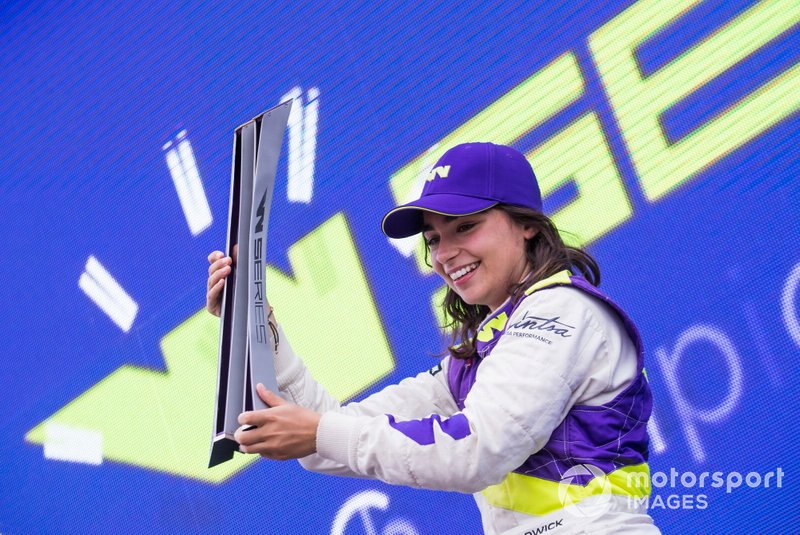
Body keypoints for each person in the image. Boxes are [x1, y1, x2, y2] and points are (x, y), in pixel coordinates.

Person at [206, 142, 659, 534]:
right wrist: (261, 329)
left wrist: (320, 432)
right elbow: (331, 435)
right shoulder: (477, 357)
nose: (444, 254)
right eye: (433, 238)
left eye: (465, 227)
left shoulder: (561, 310)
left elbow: (478, 449)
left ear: (528, 225)